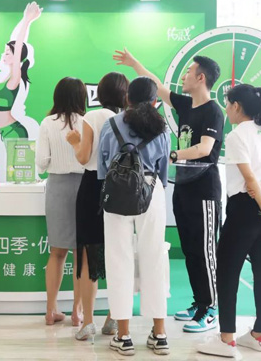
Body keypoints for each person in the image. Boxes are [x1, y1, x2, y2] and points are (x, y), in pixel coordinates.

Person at [114, 49, 223, 333]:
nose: (184, 76)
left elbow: (205, 149)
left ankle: (212, 308)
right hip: (184, 187)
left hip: (205, 190)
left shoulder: (213, 111)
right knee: (190, 250)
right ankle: (199, 303)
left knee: (205, 251)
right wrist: (134, 63)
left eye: (188, 72)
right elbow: (156, 86)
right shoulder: (186, 104)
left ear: (201, 78)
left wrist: (172, 155)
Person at [197, 84, 261, 358]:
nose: (226, 110)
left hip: (246, 209)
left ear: (236, 106)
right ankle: (259, 335)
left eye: (228, 104)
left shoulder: (237, 135)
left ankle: (226, 339)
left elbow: (249, 179)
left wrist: (260, 201)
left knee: (227, 272)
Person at [98, 77, 171, 356]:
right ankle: (160, 334)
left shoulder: (112, 124)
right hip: (152, 191)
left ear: (127, 98)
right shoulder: (162, 127)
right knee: (154, 258)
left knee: (119, 260)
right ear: (155, 101)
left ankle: (124, 336)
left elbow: (102, 166)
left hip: (117, 191)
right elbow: (163, 170)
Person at [66, 72, 128, 341]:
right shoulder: (127, 118)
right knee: (116, 254)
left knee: (88, 255)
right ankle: (113, 318)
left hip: (92, 186)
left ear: (100, 93)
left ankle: (88, 322)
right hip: (119, 189)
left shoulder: (92, 117)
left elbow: (83, 157)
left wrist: (74, 142)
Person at [36, 77, 86, 327]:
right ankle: (78, 312)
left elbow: (41, 162)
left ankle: (50, 310)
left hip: (56, 186)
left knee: (56, 252)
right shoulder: (87, 122)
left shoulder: (47, 123)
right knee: (80, 253)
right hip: (84, 187)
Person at [0, 2, 42, 183]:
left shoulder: (15, 77)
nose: (4, 56)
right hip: (5, 131)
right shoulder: (6, 77)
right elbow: (15, 44)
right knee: (14, 178)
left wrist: (27, 21)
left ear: (16, 57)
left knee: (21, 178)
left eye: (7, 53)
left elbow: (18, 45)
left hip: (14, 131)